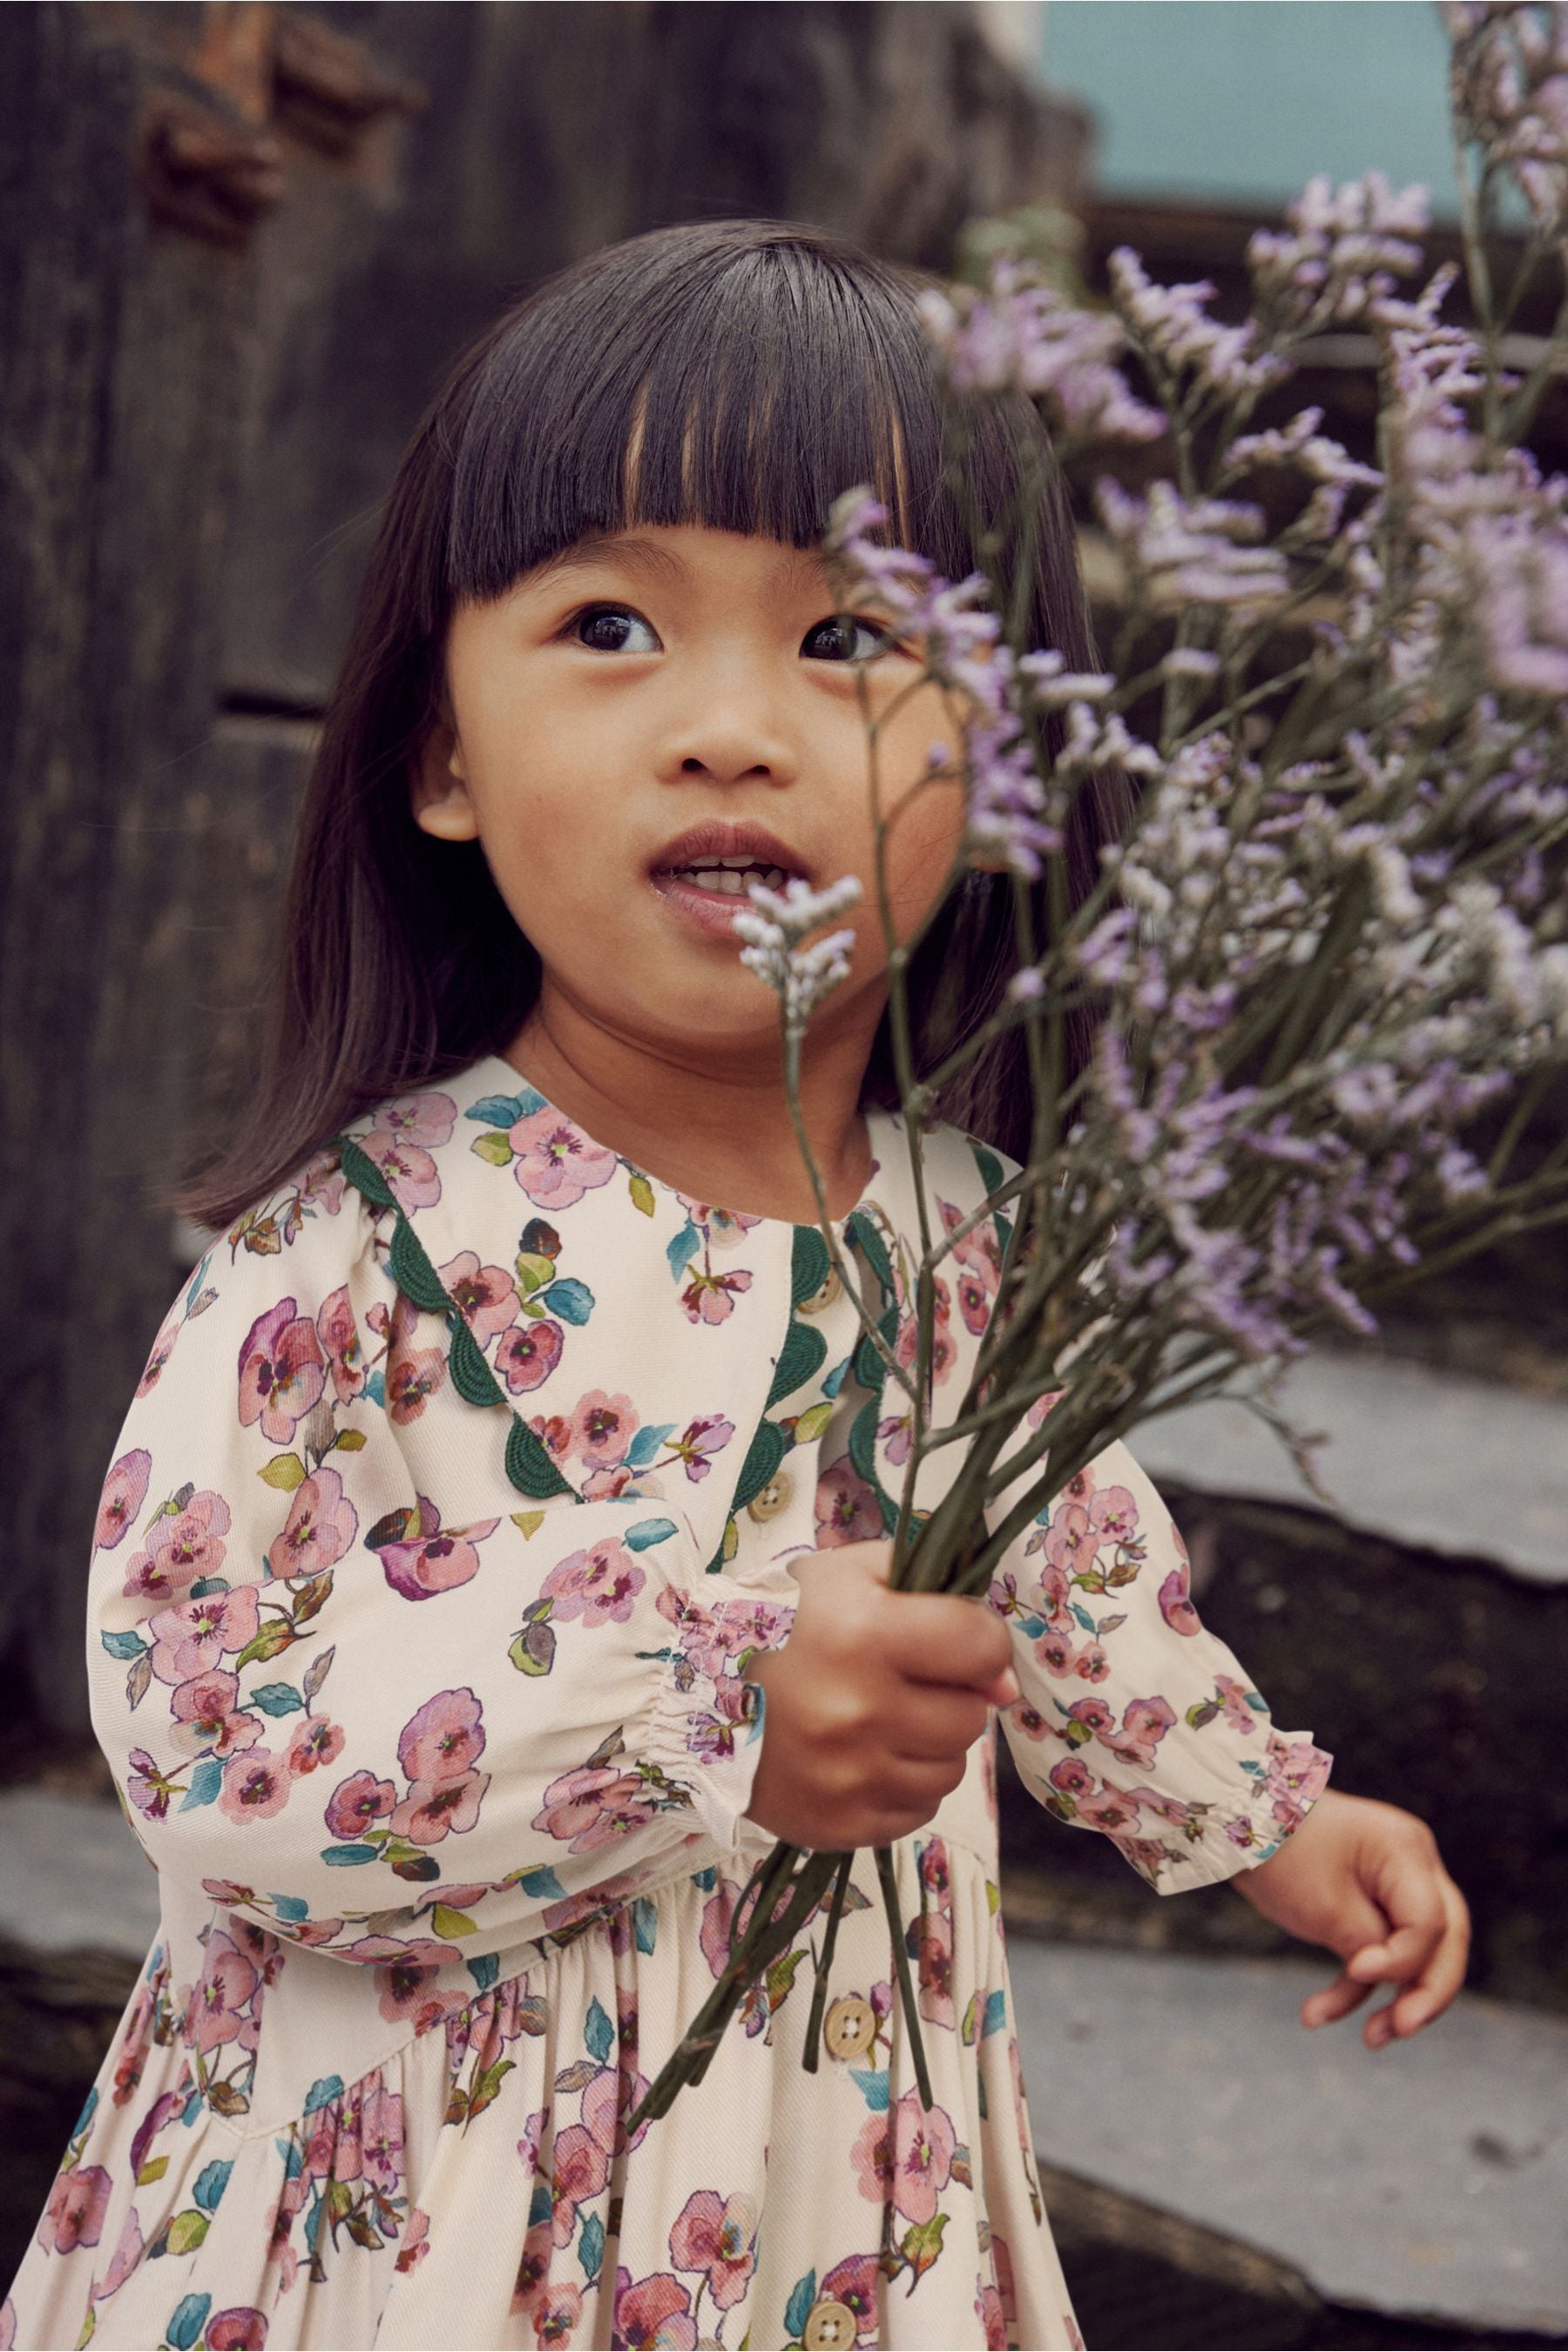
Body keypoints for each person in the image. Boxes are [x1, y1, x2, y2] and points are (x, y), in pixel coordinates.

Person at [3, 219, 1470, 2352]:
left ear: (1002, 776)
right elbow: (209, 1740)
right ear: (438, 753)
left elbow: (1063, 1595)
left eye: (855, 633)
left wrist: (1266, 1815)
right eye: (611, 622)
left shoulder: (974, 1249)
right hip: (400, 2220)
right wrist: (700, 1691)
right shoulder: (355, 1260)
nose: (728, 727)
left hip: (833, 2200)